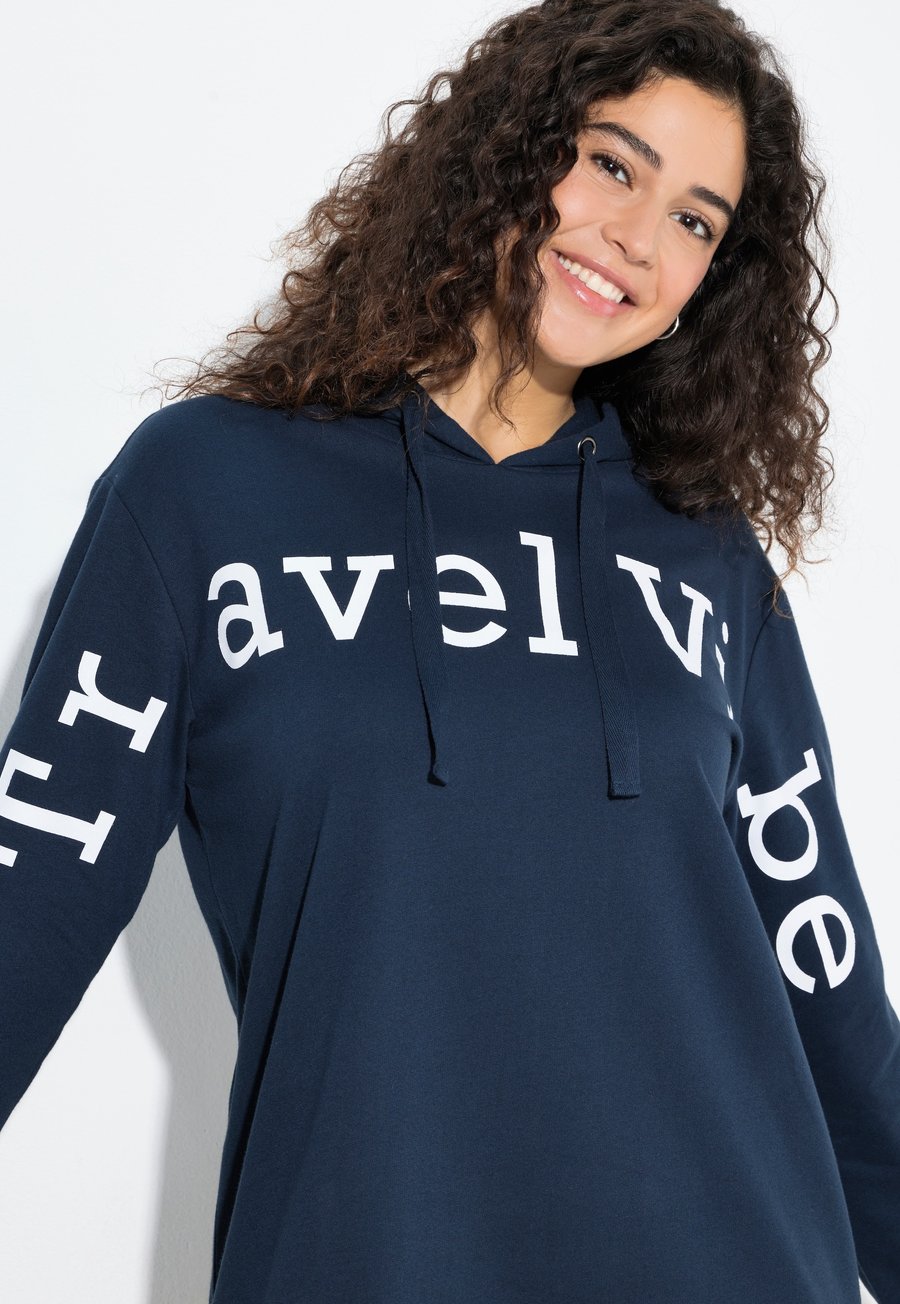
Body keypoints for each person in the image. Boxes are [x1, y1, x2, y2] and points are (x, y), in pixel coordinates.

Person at [1, 0, 897, 1299]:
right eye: (613, 164)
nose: (638, 239)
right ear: (507, 149)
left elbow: (824, 961)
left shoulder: (703, 553)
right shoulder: (208, 492)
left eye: (696, 222)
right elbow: (34, 884)